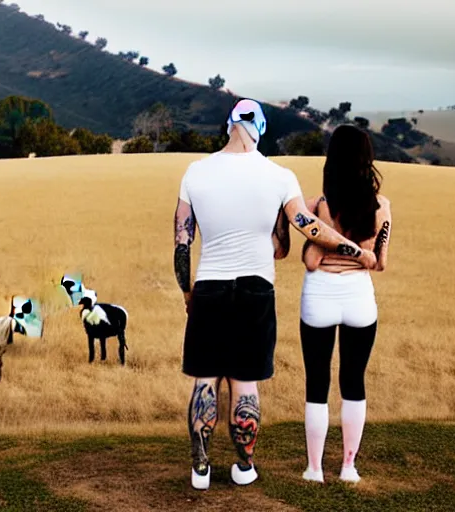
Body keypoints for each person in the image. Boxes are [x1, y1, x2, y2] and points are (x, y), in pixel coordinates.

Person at [173, 99, 377, 491]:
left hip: (210, 287)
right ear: (260, 128)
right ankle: (244, 466)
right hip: (256, 289)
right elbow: (310, 228)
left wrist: (187, 292)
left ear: (229, 125)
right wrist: (356, 251)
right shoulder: (279, 175)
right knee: (245, 383)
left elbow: (182, 243)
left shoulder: (195, 172)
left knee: (205, 381)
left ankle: (201, 468)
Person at [299, 124, 392, 484]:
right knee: (353, 381)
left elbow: (310, 261)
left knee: (317, 382)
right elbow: (379, 262)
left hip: (319, 296)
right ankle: (349, 467)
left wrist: (326, 240)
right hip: (359, 298)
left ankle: (314, 468)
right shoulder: (381, 206)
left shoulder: (315, 205)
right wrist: (360, 255)